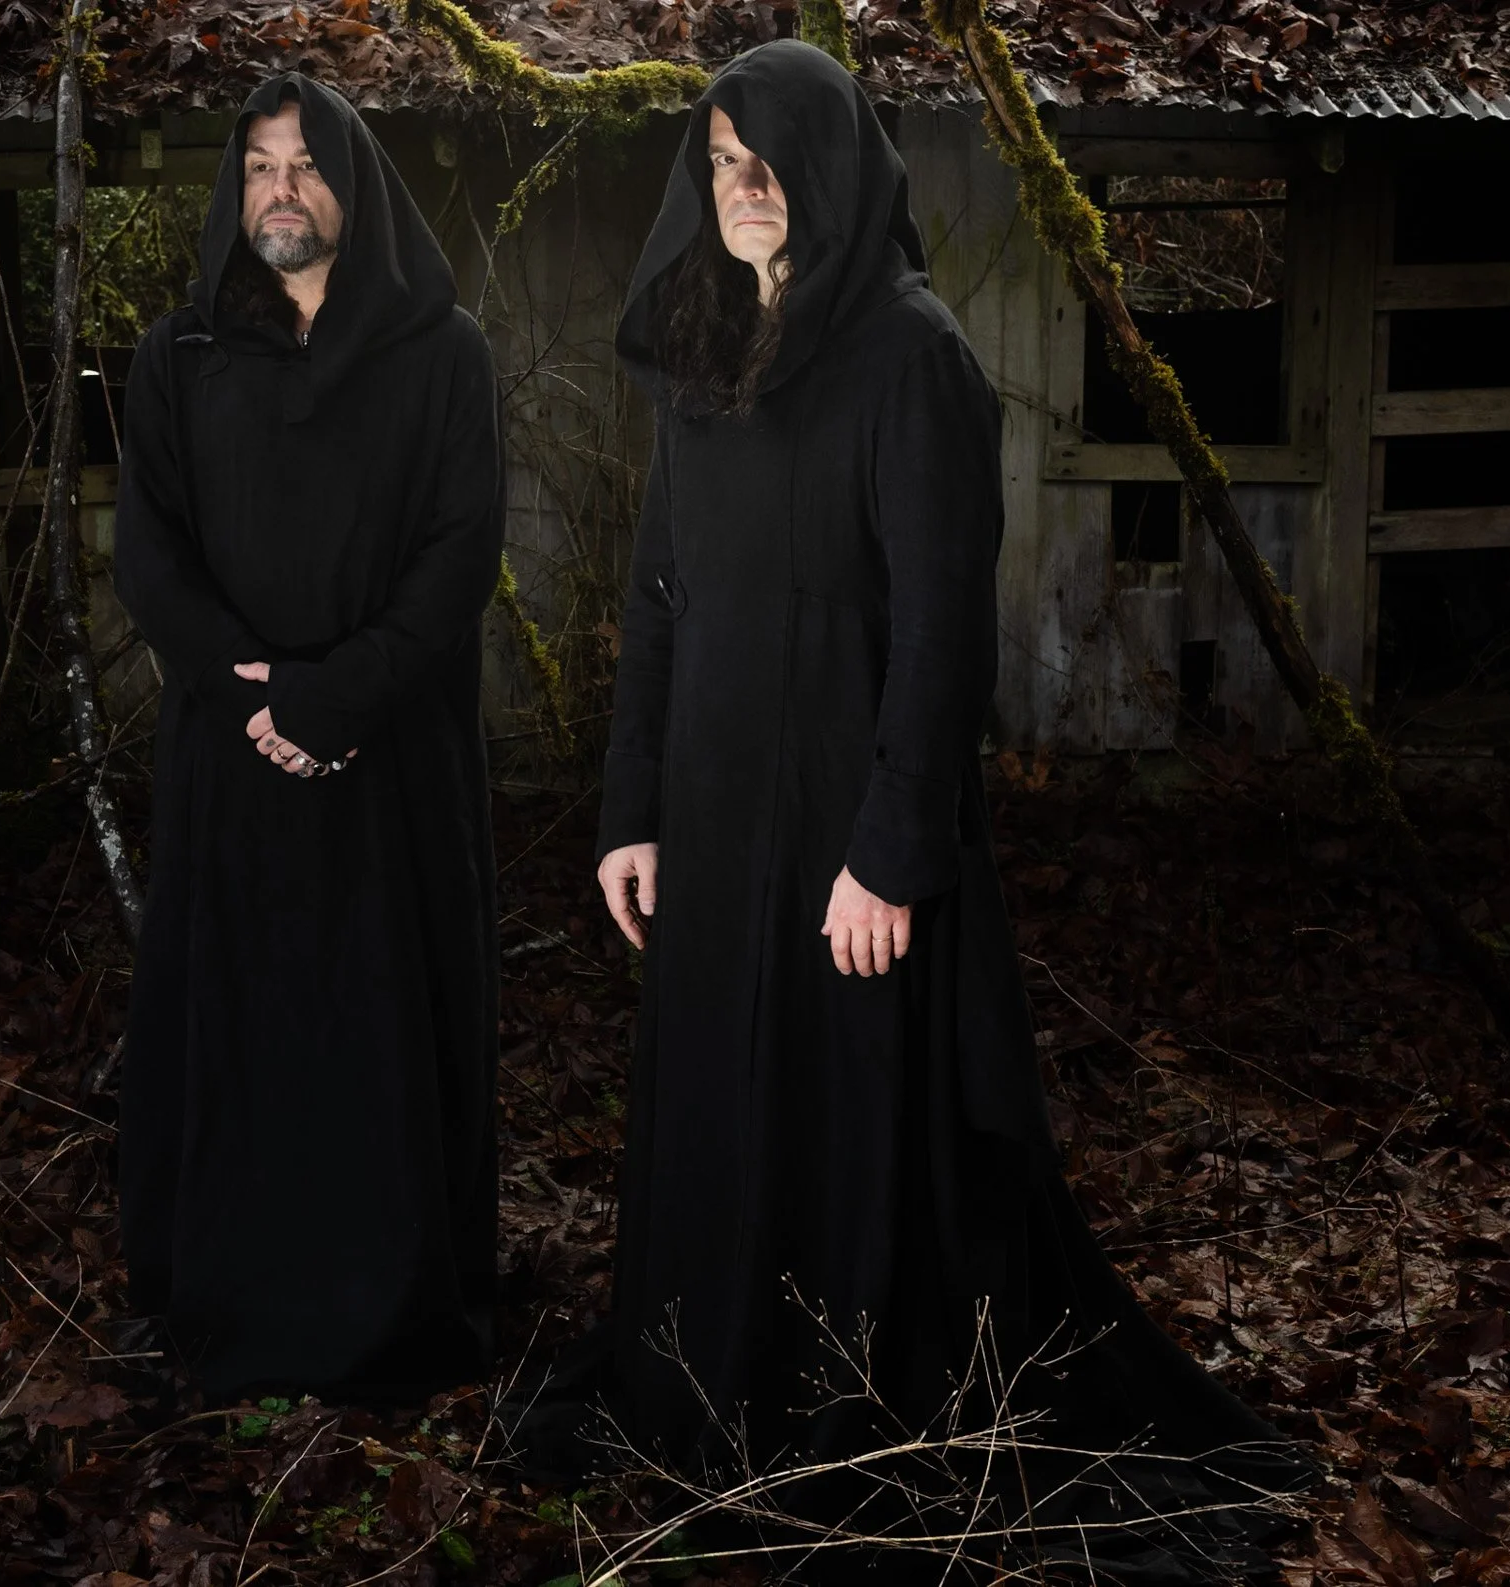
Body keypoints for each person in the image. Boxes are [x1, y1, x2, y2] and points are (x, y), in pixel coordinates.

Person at [548, 40, 1314, 1579]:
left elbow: (945, 636)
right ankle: (723, 1389)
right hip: (712, 820)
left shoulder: (915, 358)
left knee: (856, 1127)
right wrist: (631, 805)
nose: (741, 189)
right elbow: (660, 596)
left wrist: (890, 853)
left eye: (766, 160)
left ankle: (854, 1416)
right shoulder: (703, 342)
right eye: (719, 163)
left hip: (852, 838)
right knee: (722, 1102)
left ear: (830, 168)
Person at [110, 72, 504, 1400]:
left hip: (395, 764)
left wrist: (339, 697)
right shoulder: (179, 357)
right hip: (232, 765)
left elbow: (461, 553)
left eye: (306, 165)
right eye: (259, 167)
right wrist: (256, 701)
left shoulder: (442, 353)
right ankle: (231, 1294)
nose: (280, 190)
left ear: (355, 186)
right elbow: (149, 557)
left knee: (385, 1023)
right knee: (242, 1019)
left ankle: (393, 1309)